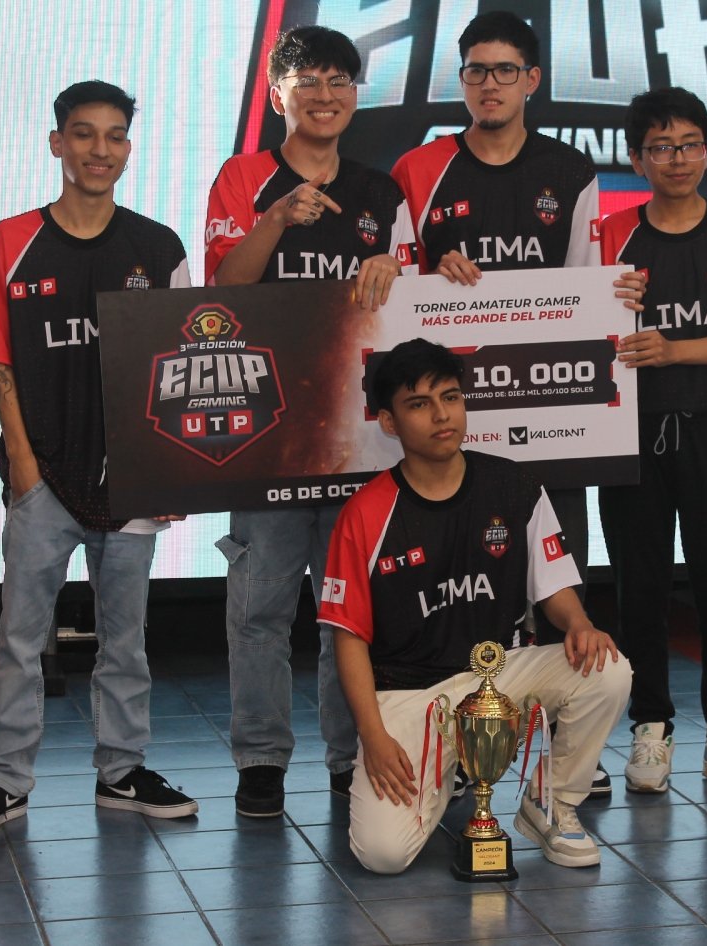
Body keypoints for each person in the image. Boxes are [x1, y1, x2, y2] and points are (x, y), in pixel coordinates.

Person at [391, 10, 640, 792]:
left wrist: (621, 297)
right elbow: (393, 288)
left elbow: (589, 292)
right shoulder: (419, 169)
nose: (489, 84)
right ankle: (468, 742)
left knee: (563, 571)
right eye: (475, 70)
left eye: (504, 70)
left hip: (553, 413)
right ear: (461, 79)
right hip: (454, 420)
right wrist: (432, 276)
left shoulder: (571, 171)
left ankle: (572, 750)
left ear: (532, 79)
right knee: (467, 575)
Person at [0, 81, 198, 835]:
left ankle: (122, 771)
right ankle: (3, 781)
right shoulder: (10, 240)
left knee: (126, 639)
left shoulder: (159, 248)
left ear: (128, 148)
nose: (101, 149)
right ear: (57, 142)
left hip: (130, 479)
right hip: (42, 479)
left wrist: (165, 470)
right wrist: (24, 464)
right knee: (20, 639)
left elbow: (181, 369)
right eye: (85, 134)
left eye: (115, 135)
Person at [317, 339, 631, 873]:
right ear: (389, 422)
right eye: (419, 404)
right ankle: (449, 771)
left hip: (496, 679)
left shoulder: (514, 485)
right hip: (408, 695)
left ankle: (552, 804)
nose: (442, 415)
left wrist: (579, 622)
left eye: (451, 397)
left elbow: (554, 586)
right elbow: (348, 640)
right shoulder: (364, 513)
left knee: (608, 668)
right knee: (383, 855)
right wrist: (372, 736)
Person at [205, 25, 415, 818]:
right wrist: (275, 220)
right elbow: (221, 293)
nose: (325, 96)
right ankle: (260, 761)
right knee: (258, 609)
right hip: (265, 436)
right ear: (276, 95)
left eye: (339, 81)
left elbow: (415, 306)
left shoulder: (382, 193)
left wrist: (396, 267)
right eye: (308, 82)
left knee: (345, 610)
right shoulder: (244, 178)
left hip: (359, 438)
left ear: (355, 94)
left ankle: (346, 757)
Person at [593, 87, 707, 796]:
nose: (677, 158)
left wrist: (670, 350)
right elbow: (575, 321)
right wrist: (609, 306)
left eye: (690, 144)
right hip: (630, 435)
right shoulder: (611, 236)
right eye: (661, 147)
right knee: (638, 589)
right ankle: (650, 728)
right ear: (637, 159)